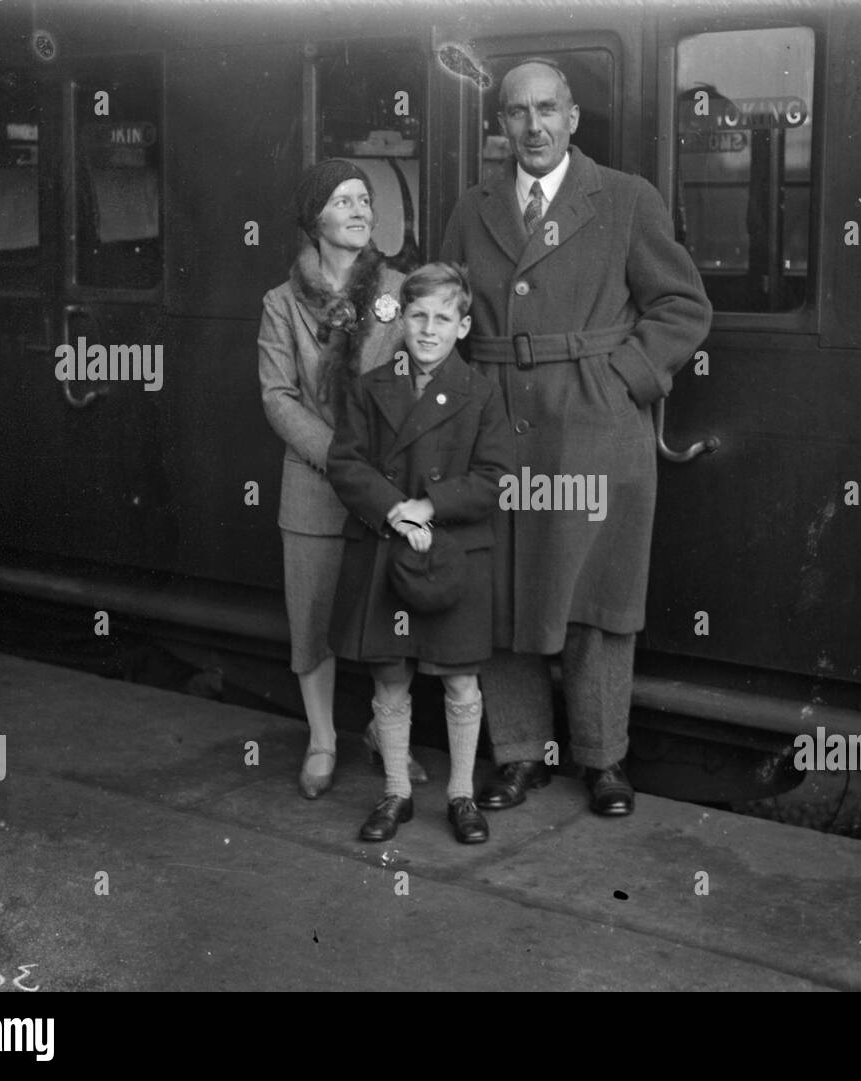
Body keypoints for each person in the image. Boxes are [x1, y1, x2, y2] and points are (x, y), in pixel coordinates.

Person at [440, 58, 713, 816]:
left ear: (573, 118)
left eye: (548, 109)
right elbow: (445, 311)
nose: (533, 126)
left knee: (599, 595)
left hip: (593, 429)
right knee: (502, 594)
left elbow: (683, 307)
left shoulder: (624, 199)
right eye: (518, 112)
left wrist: (621, 380)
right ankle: (521, 756)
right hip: (497, 427)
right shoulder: (472, 207)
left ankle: (603, 761)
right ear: (500, 124)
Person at [325, 263, 514, 843]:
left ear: (462, 327)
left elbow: (496, 476)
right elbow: (345, 463)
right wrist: (393, 509)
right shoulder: (370, 385)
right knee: (390, 678)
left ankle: (460, 795)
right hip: (387, 547)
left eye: (442, 318)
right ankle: (396, 795)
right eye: (417, 316)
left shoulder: (480, 392)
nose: (428, 329)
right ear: (401, 319)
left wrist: (429, 506)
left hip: (452, 553)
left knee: (460, 681)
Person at [258, 158, 425, 800]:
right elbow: (278, 398)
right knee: (313, 618)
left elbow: (426, 373)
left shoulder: (404, 289)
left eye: (366, 200)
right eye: (344, 200)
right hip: (316, 482)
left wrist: (381, 466)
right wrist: (341, 458)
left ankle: (388, 736)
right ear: (314, 218)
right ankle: (323, 739)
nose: (361, 210)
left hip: (387, 484)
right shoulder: (281, 303)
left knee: (392, 617)